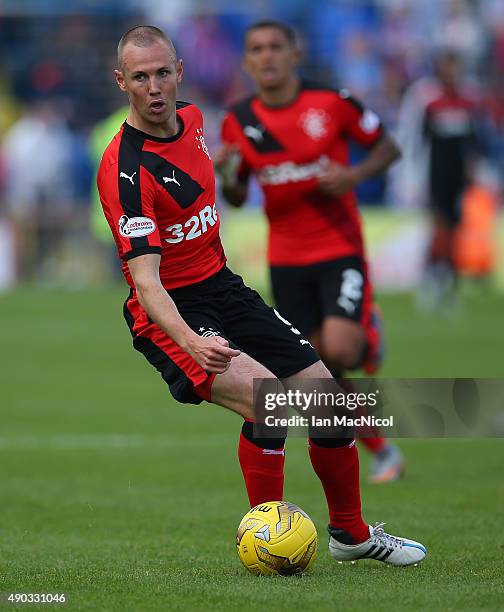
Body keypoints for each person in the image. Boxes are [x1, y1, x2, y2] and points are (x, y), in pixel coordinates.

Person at [97, 25, 426, 566]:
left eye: (162, 73)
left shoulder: (198, 122)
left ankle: (352, 534)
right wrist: (190, 340)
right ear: (121, 82)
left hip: (224, 287)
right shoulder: (126, 171)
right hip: (171, 311)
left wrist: (231, 168)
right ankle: (269, 541)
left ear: (180, 72)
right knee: (268, 402)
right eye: (140, 77)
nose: (154, 87)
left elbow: (223, 174)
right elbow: (148, 282)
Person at [216, 20, 404, 483]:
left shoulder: (331, 103)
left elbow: (388, 148)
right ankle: (380, 447)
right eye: (256, 49)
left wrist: (352, 177)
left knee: (339, 349)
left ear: (294, 54)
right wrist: (228, 173)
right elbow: (238, 196)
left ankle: (365, 334)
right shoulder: (238, 121)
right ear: (246, 61)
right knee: (319, 369)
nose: (267, 57)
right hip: (284, 259)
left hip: (338, 248)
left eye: (276, 47)